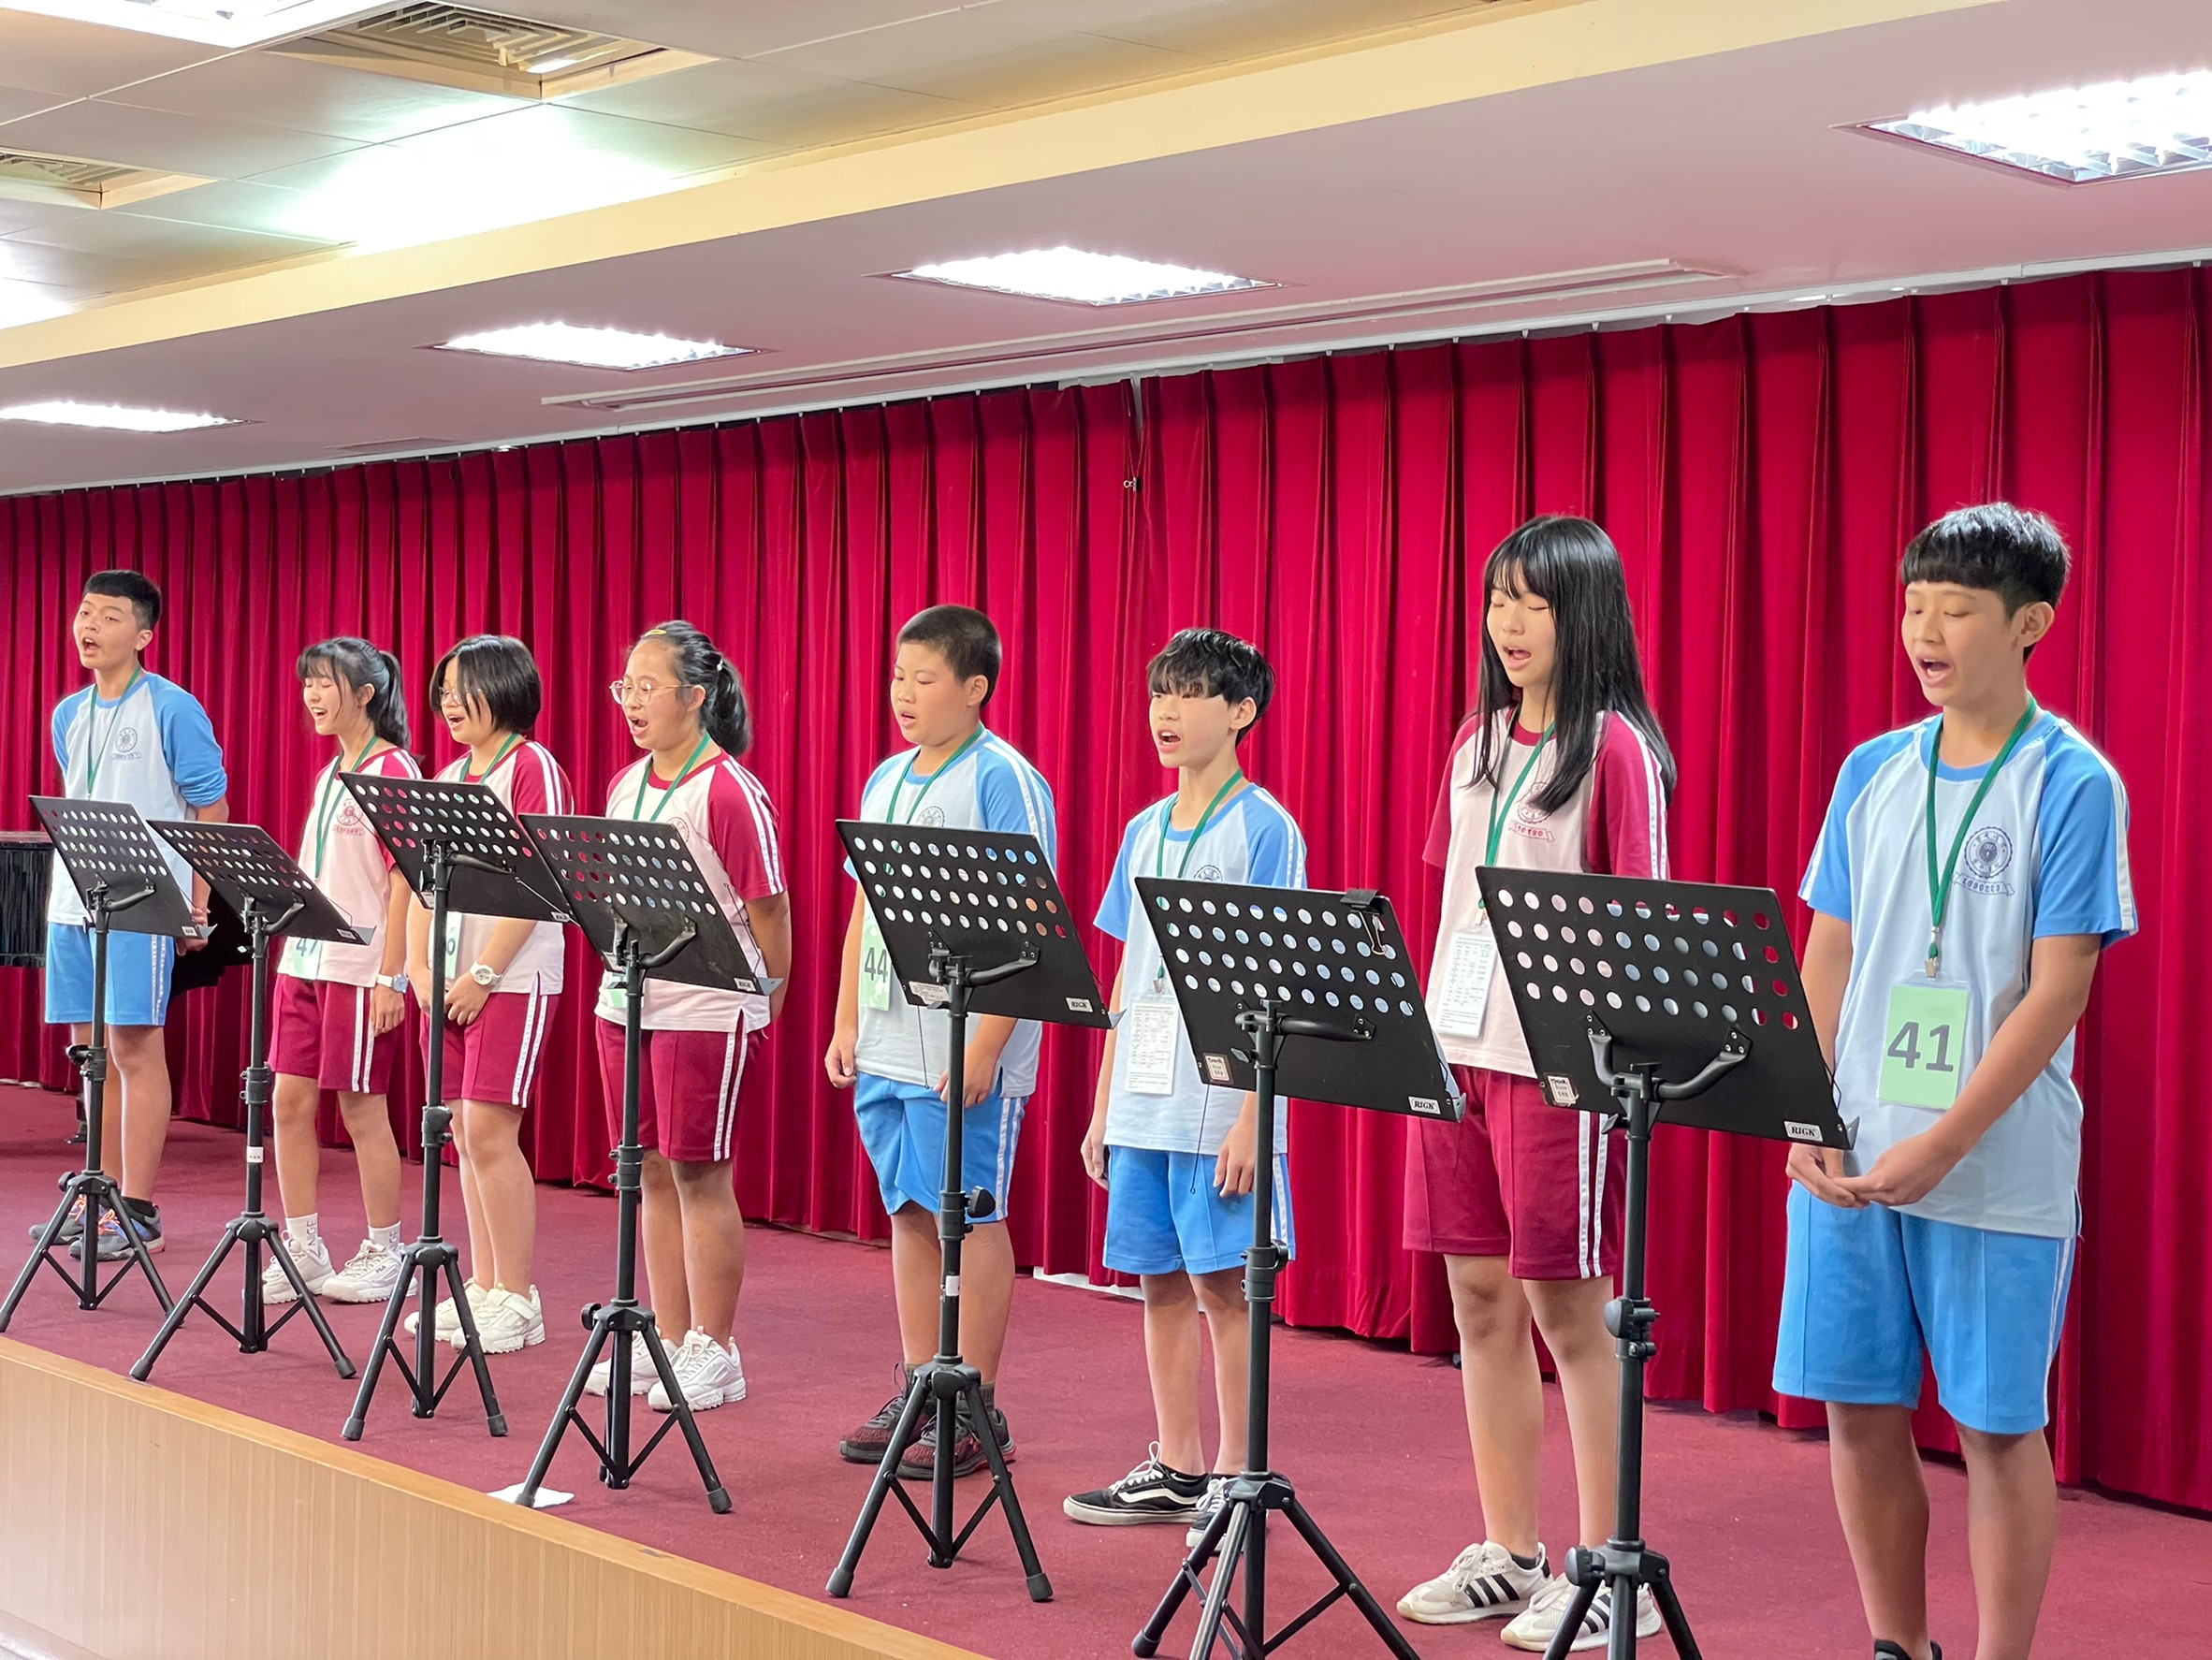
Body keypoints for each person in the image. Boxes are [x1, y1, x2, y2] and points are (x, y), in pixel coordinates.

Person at [1774, 503, 2133, 1660]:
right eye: (1913, 607)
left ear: (2030, 623)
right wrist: (1804, 1107)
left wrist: (1945, 1141)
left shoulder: (2071, 782)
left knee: (1994, 1427)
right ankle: (1900, 1644)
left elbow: (2059, 990)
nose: (1924, 633)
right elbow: (1827, 952)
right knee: (1856, 1408)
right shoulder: (1871, 771)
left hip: (1995, 1167)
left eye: (1956, 611)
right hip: (1850, 1152)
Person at [1398, 517, 1673, 1653]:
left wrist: (1603, 1072)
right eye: (1497, 600)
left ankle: (1614, 1567)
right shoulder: (1476, 740)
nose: (1508, 623)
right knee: (1479, 1302)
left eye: (1535, 602)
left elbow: (1644, 920)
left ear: (1585, 612)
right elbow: (1452, 898)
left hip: (1560, 1071)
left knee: (1573, 1311)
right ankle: (1512, 1550)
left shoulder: (1616, 749)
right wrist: (1430, 1046)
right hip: (1457, 1049)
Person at [1062, 628, 1306, 1546]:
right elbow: (1128, 977)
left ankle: (1240, 1474)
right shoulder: (1141, 830)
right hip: (1143, 1098)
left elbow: (1282, 985)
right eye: (1160, 693)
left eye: (1191, 693)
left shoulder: (1265, 829)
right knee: (1158, 1282)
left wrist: (1255, 1118)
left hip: (1219, 1108)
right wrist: (1103, 1105)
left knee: (1224, 1289)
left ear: (1241, 711)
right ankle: (1177, 1464)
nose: (1166, 712)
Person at [825, 604, 1055, 1478]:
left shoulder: (1004, 779)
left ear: (974, 687)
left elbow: (1033, 926)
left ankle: (975, 1403)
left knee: (970, 1212)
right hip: (889, 1034)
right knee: (910, 1209)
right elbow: (863, 907)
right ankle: (925, 1385)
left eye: (924, 679)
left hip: (963, 1043)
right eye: (898, 676)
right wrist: (846, 1018)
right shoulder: (886, 778)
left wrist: (987, 1045)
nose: (905, 693)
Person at [584, 622, 792, 1414]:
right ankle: (668, 1337)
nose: (632, 703)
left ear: (695, 696)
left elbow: (770, 911)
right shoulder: (624, 785)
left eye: (648, 688)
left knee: (700, 1174)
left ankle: (715, 1347)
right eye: (626, 688)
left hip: (707, 1009)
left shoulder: (729, 790)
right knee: (647, 1171)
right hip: (627, 1000)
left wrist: (766, 998)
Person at [36, 570, 227, 1262]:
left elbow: (210, 808)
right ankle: (101, 1194)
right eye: (85, 612)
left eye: (109, 616)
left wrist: (198, 904)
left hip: (143, 905)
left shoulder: (172, 708)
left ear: (144, 635)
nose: (89, 626)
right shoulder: (68, 714)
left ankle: (139, 1209)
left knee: (134, 1050)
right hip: (72, 903)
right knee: (91, 1056)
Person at [402, 635, 572, 1354]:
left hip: (511, 978)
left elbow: (542, 879)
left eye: (462, 689)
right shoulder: (448, 775)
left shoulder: (532, 768)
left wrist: (486, 974)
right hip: (446, 978)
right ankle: (484, 1281)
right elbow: (422, 883)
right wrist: (416, 969)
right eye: (442, 692)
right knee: (463, 1133)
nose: (449, 704)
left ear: (503, 688)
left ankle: (518, 1296)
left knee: (491, 1129)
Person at [263, 640, 419, 1305]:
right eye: (308, 684)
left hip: (358, 968)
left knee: (360, 1106)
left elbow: (406, 883)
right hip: (304, 959)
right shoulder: (331, 772)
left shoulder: (394, 769)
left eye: (325, 683)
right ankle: (303, 1244)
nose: (313, 696)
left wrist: (392, 977)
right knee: (287, 1102)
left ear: (365, 693)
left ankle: (386, 1248)